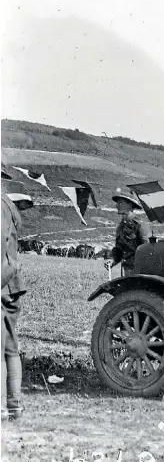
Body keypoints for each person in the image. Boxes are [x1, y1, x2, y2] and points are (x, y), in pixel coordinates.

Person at [2, 176, 33, 421]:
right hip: (10, 284)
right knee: (10, 348)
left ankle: (4, 408)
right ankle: (14, 407)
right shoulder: (6, 205)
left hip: (1, 283)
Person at [104, 190, 152, 277]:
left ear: (130, 205)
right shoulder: (120, 227)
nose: (117, 205)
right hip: (126, 271)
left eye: (120, 203)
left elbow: (149, 250)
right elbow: (119, 249)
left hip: (141, 272)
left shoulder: (141, 225)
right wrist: (112, 259)